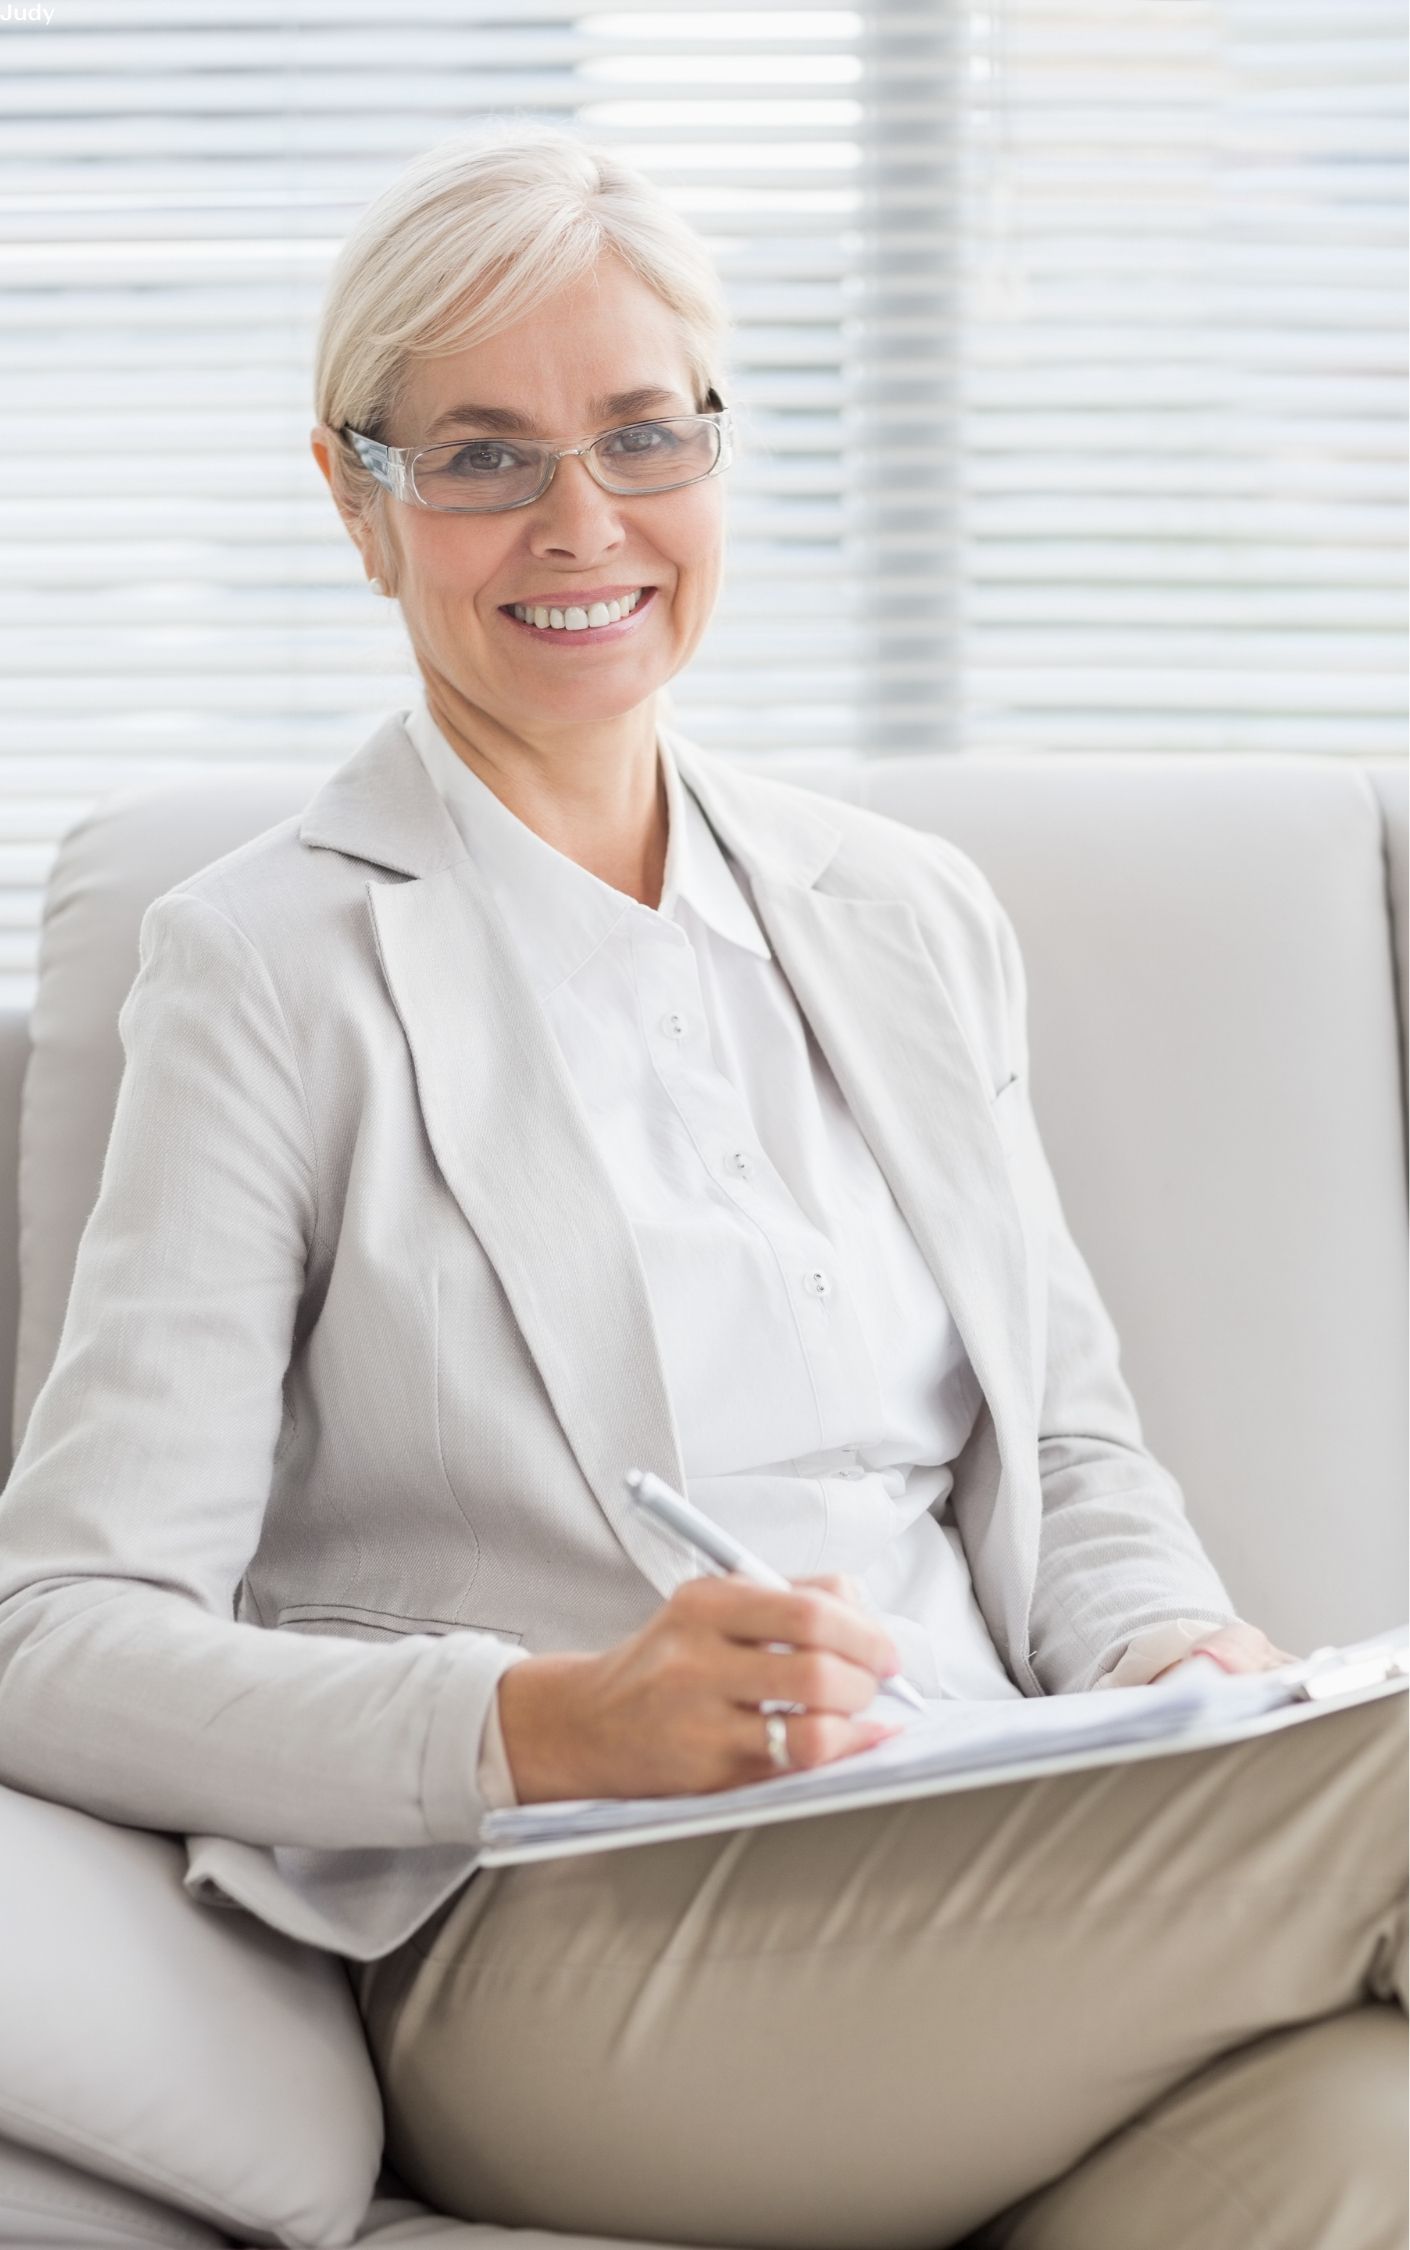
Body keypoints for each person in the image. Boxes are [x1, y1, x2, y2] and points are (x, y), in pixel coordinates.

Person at [0, 119, 1402, 2250]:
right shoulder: (268, 971)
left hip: (1001, 1847)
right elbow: (60, 1640)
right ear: (357, 502)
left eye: (642, 435)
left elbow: (1076, 1457)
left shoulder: (904, 918)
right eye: (481, 456)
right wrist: (550, 1723)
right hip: (575, 1947)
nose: (582, 521)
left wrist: (1172, 1667)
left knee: (1365, 2140)